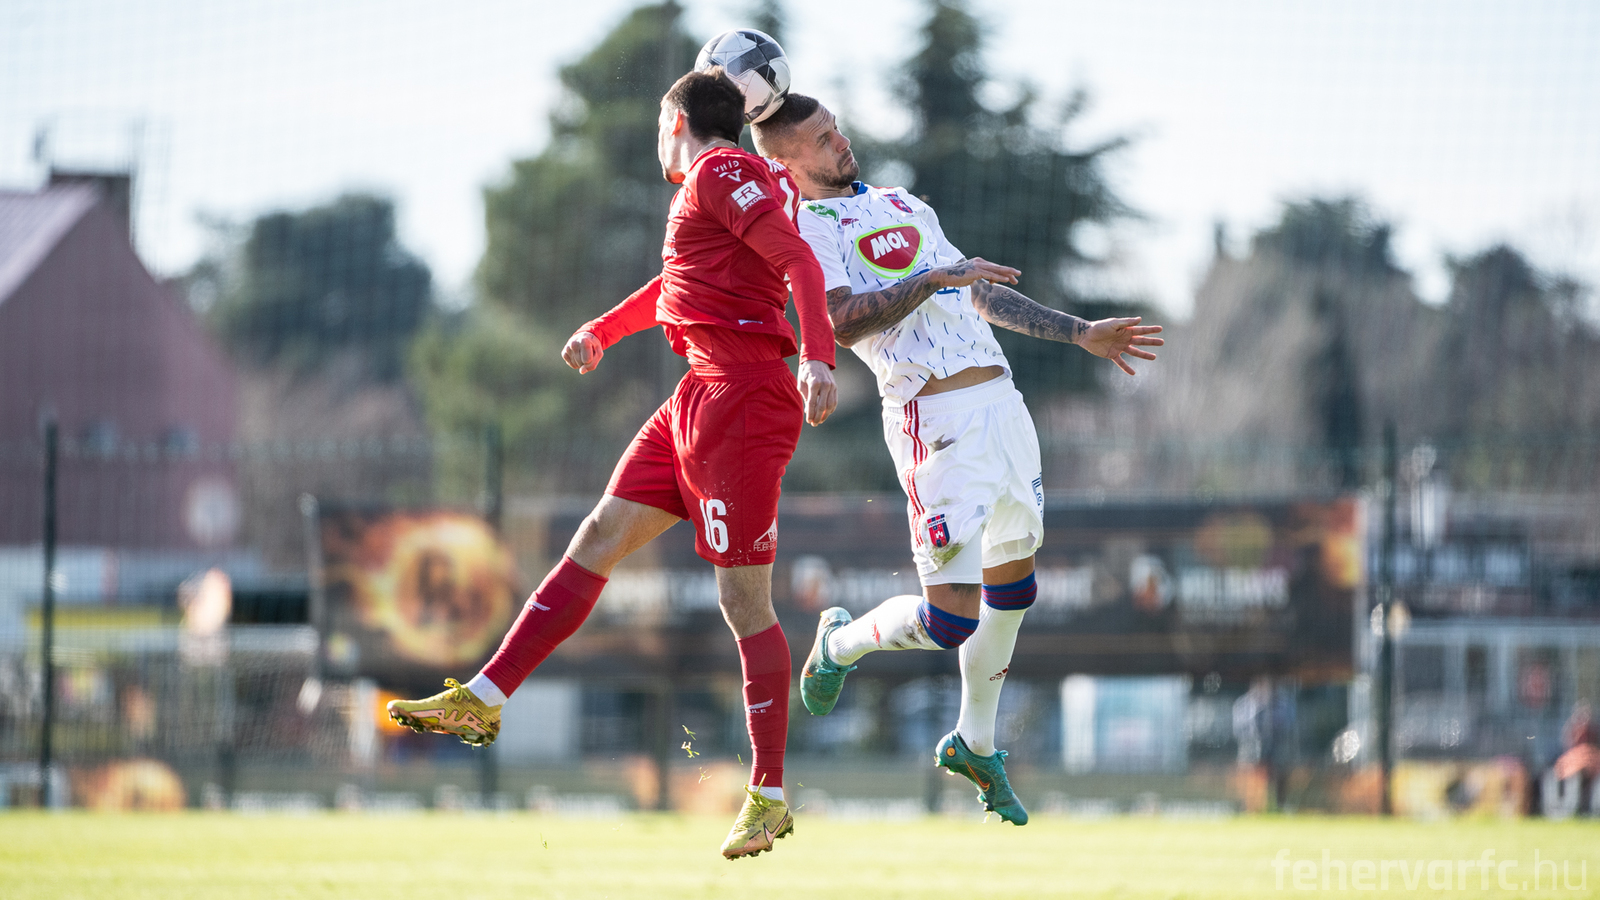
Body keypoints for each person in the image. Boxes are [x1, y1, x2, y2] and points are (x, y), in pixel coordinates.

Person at [388, 70, 838, 860]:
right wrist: (603, 329)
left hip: (742, 400)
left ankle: (768, 796)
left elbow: (799, 261)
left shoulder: (721, 170)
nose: (657, 136)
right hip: (698, 393)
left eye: (660, 122)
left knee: (743, 603)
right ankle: (484, 697)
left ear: (677, 121)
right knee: (598, 536)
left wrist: (820, 358)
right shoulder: (717, 185)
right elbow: (678, 283)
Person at [751, 94, 1161, 824]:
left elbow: (979, 294)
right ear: (786, 162)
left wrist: (1079, 332)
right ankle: (839, 643)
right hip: (932, 419)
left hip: (1004, 408)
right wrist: (929, 282)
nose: (841, 141)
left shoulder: (903, 202)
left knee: (1015, 587)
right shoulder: (805, 228)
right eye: (821, 138)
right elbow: (840, 323)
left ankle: (975, 742)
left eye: (836, 128)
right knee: (950, 622)